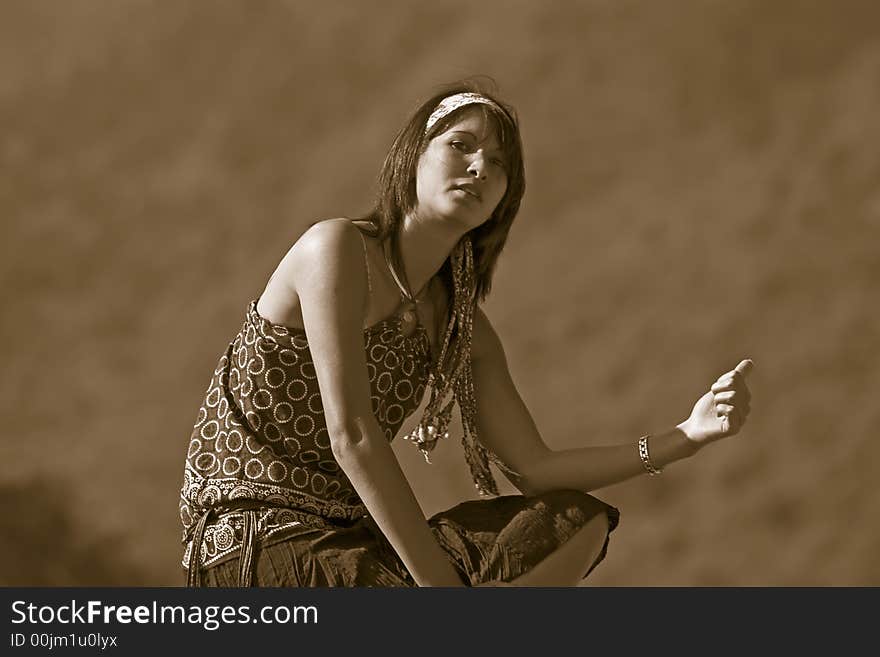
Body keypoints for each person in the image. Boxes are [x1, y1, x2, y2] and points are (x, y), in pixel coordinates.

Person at [179, 81, 754, 587]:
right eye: (460, 145)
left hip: (356, 547)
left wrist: (686, 436)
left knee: (576, 523)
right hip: (253, 543)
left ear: (504, 202)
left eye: (500, 164)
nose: (481, 167)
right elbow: (352, 434)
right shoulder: (335, 250)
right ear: (413, 158)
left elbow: (534, 468)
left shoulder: (460, 327)